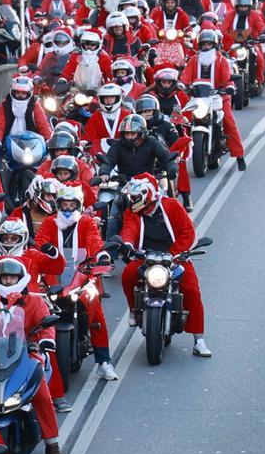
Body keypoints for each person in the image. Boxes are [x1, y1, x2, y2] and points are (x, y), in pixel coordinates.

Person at [0, 258, 66, 454]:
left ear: (21, 279)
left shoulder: (35, 301)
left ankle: (52, 445)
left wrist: (46, 339)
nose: (8, 281)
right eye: (4, 277)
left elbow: (45, 324)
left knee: (41, 393)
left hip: (27, 356)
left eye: (12, 277)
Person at [118, 175, 211, 357]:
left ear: (148, 194)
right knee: (128, 274)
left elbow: (187, 231)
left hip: (174, 256)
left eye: (136, 197)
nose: (132, 201)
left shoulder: (172, 206)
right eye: (131, 197)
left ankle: (198, 340)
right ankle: (133, 310)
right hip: (145, 255)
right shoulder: (132, 212)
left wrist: (175, 253)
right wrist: (127, 244)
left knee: (192, 290)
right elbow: (129, 229)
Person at [35, 185, 118, 380]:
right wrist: (42, 249)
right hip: (54, 277)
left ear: (78, 206)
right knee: (39, 311)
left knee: (97, 316)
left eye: (72, 205)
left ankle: (103, 361)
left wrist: (102, 256)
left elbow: (95, 242)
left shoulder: (87, 223)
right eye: (64, 204)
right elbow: (40, 242)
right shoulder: (49, 223)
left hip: (82, 275)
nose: (67, 209)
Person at [178, 30, 246, 170]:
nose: (206, 47)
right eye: (203, 44)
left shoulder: (221, 60)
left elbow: (227, 78)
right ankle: (176, 156)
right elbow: (185, 76)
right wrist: (182, 85)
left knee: (229, 123)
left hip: (218, 96)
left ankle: (239, 156)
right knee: (180, 119)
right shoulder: (194, 60)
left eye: (209, 44)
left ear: (215, 45)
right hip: (198, 97)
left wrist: (229, 87)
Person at [0, 75, 53, 140]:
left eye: (23, 93)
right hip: (8, 145)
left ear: (29, 93)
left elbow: (43, 125)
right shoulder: (5, 105)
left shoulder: (34, 105)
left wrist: (48, 140)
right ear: (13, 92)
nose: (20, 95)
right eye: (18, 92)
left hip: (32, 144)